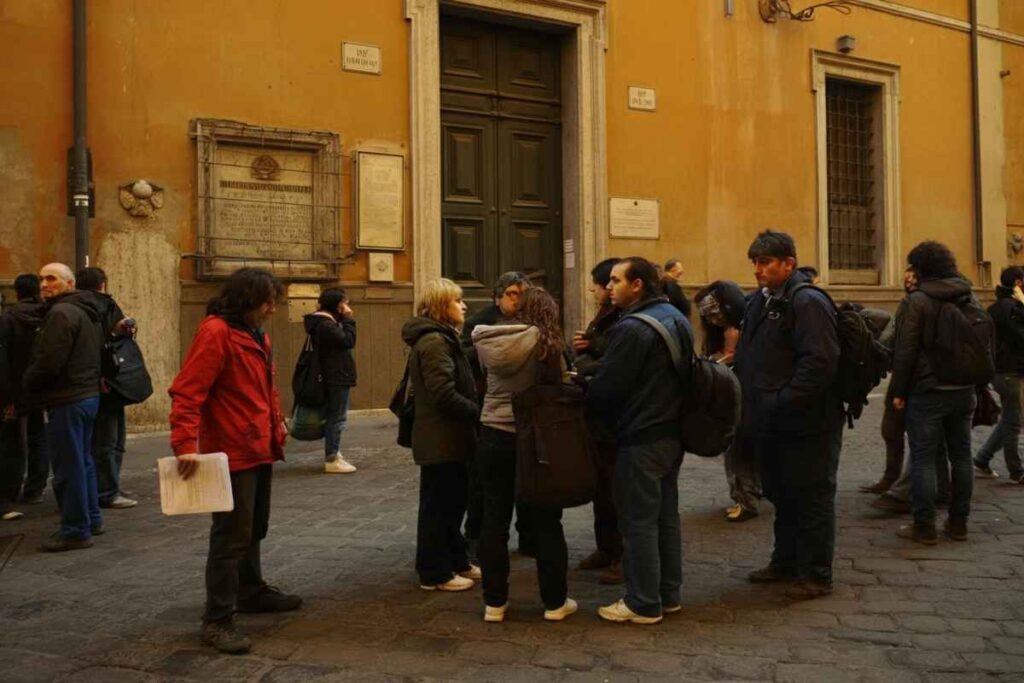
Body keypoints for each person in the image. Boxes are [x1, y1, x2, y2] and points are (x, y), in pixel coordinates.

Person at [169, 267, 300, 655]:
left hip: (259, 445)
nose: (272, 310)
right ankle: (218, 619)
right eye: (267, 303)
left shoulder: (256, 333)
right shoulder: (216, 333)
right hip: (231, 450)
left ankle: (251, 590)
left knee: (254, 526)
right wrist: (184, 445)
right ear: (247, 301)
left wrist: (277, 424)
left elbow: (262, 388)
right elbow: (187, 392)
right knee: (230, 535)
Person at [734, 230, 843, 600]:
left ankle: (815, 574)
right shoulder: (759, 302)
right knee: (782, 492)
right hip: (770, 420)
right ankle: (785, 561)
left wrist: (783, 399)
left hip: (808, 421)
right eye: (755, 263)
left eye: (765, 263)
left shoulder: (807, 301)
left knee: (811, 496)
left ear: (789, 263)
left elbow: (820, 361)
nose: (758, 270)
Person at [588, 256, 692, 624]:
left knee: (637, 522)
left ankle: (643, 602)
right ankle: (668, 593)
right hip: (670, 433)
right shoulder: (677, 318)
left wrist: (582, 383)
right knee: (665, 517)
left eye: (616, 280)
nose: (609, 286)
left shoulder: (632, 328)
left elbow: (609, 389)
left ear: (637, 286)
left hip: (640, 433)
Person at [472, 287, 576, 623]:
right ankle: (555, 603)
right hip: (536, 438)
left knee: (494, 519)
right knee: (546, 520)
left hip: (493, 432)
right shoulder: (547, 345)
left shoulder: (490, 340)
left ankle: (494, 603)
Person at [889, 241, 981, 545]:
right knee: (962, 456)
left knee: (924, 458)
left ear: (921, 268)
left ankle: (924, 526)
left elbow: (905, 351)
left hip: (928, 391)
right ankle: (959, 524)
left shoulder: (917, 301)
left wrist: (899, 391)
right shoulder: (968, 295)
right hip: (964, 389)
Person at [401, 278, 480, 592]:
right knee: (439, 505)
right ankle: (434, 572)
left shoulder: (444, 337)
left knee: (452, 502)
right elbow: (442, 393)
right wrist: (477, 411)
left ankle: (456, 560)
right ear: (440, 307)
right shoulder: (435, 342)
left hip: (450, 436)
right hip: (440, 436)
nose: (464, 305)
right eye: (456, 301)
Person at [23, 263, 105, 552]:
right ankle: (91, 518)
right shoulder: (87, 310)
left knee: (68, 466)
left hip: (67, 398)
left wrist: (28, 384)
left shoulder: (60, 314)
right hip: (86, 395)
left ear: (69, 284)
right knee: (82, 460)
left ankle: (75, 529)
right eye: (41, 278)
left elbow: (49, 361)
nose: (44, 284)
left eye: (51, 278)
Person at [461, 271, 533, 560]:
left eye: (522, 294)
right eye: (512, 294)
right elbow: (464, 357)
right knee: (483, 483)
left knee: (528, 479)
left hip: (526, 414)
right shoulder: (479, 322)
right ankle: (475, 538)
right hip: (488, 410)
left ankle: (529, 536)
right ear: (498, 296)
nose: (518, 301)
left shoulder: (533, 320)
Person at [572, 257, 624, 583]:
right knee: (601, 489)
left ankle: (623, 555)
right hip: (598, 416)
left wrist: (590, 347)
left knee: (619, 491)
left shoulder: (625, 318)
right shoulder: (605, 315)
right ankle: (606, 547)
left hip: (616, 418)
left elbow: (613, 359)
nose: (593, 290)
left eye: (598, 284)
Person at [694, 280, 759, 522]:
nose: (712, 319)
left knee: (739, 451)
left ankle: (746, 500)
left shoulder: (744, 329)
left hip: (743, 398)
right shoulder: (718, 332)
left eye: (715, 313)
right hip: (727, 399)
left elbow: (743, 365)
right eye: (707, 315)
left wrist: (731, 353)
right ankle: (747, 495)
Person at [76, 267, 138, 509]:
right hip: (108, 381)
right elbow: (106, 343)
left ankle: (107, 487)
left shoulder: (73, 308)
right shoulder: (103, 305)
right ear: (102, 284)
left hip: (94, 381)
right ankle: (108, 491)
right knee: (109, 441)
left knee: (104, 440)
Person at [861, 267, 917, 494]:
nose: (908, 278)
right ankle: (892, 476)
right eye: (907, 273)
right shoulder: (909, 303)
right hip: (904, 376)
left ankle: (915, 490)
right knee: (891, 429)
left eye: (914, 275)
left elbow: (900, 345)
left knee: (922, 440)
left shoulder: (916, 305)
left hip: (916, 379)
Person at [0, 274, 50, 521]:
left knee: (12, 442)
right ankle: (35, 488)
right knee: (39, 437)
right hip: (41, 388)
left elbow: (3, 361)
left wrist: (7, 397)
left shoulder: (9, 319)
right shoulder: (48, 315)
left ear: (16, 292)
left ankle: (10, 491)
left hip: (16, 389)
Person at [973, 266, 1024, 484]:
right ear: (1019, 283)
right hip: (1009, 371)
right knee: (1013, 422)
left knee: (1011, 419)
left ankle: (982, 458)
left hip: (1002, 370)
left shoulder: (995, 307)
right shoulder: (1012, 308)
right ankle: (1016, 471)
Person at [304, 287, 358, 474]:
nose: (347, 305)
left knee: (334, 416)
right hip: (336, 376)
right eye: (345, 301)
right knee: (337, 417)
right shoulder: (327, 325)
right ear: (337, 304)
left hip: (332, 375)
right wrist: (349, 319)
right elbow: (348, 341)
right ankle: (332, 457)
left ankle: (334, 452)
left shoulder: (322, 322)